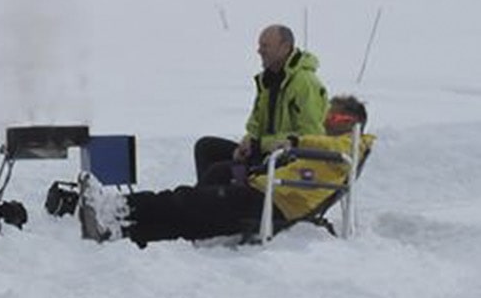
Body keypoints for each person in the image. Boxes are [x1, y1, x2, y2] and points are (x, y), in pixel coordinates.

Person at [82, 96, 372, 246]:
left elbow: (332, 146)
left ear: (352, 122)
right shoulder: (332, 148)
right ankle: (124, 229)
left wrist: (297, 141)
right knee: (194, 217)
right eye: (328, 115)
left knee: (187, 200)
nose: (327, 120)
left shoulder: (351, 144)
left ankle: (117, 208)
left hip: (274, 205)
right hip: (265, 194)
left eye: (334, 116)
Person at [192, 24, 328, 185]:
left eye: (265, 46)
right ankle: (214, 199)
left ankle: (225, 197)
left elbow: (311, 136)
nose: (259, 51)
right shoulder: (267, 80)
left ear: (285, 47)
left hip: (284, 163)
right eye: (259, 45)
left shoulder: (305, 83)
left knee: (219, 172)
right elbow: (256, 124)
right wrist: (247, 142)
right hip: (262, 155)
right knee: (205, 147)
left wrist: (261, 145)